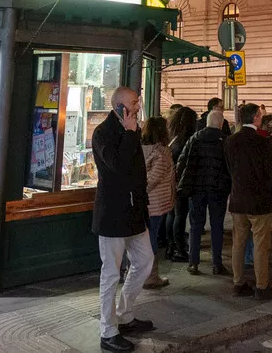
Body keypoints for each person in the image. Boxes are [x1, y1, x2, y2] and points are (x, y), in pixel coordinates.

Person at [92, 87, 154, 352]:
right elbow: (117, 165)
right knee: (110, 274)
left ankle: (125, 313)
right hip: (113, 214)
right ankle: (108, 331)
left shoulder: (132, 128)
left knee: (145, 261)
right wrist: (129, 132)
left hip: (134, 212)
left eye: (138, 102)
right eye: (133, 102)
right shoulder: (103, 133)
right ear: (118, 106)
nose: (138, 106)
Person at [225, 103, 272, 299]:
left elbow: (229, 169)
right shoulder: (262, 142)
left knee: (238, 242)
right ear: (256, 117)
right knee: (260, 244)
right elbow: (270, 172)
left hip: (238, 198)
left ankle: (237, 282)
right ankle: (262, 286)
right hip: (258, 200)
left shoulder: (230, 141)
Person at [176, 106, 232, 275]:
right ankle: (217, 263)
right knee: (217, 225)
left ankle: (193, 262)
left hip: (197, 188)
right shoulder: (225, 140)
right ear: (220, 124)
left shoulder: (195, 138)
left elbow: (182, 162)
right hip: (218, 190)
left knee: (195, 225)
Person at [140, 116, 174, 290]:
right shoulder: (161, 152)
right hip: (155, 203)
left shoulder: (140, 149)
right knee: (150, 238)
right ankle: (150, 276)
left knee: (141, 238)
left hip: (141, 202)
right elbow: (153, 179)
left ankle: (137, 272)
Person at [164, 106, 199, 263]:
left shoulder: (173, 138)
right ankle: (178, 248)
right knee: (179, 215)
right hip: (182, 183)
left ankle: (171, 247)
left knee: (172, 215)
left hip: (172, 182)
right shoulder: (188, 140)